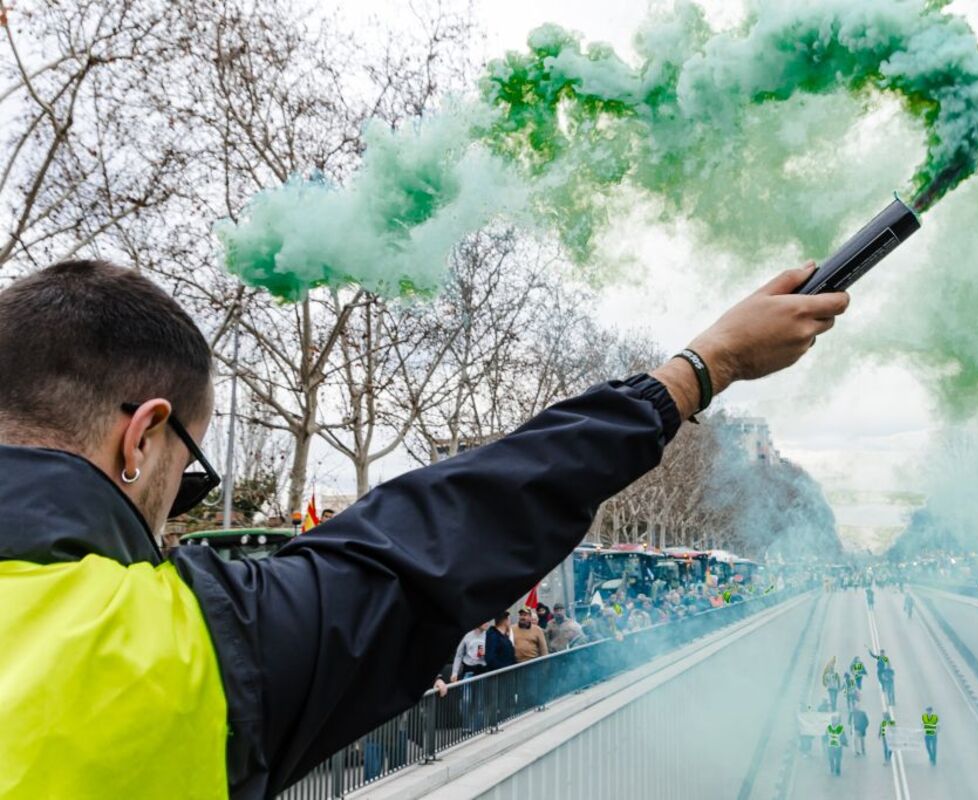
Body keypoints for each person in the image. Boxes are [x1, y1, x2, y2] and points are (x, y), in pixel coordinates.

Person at [0, 259, 848, 797]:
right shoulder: (172, 647)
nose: (175, 506)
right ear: (141, 436)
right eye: (189, 476)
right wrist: (704, 367)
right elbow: (461, 521)